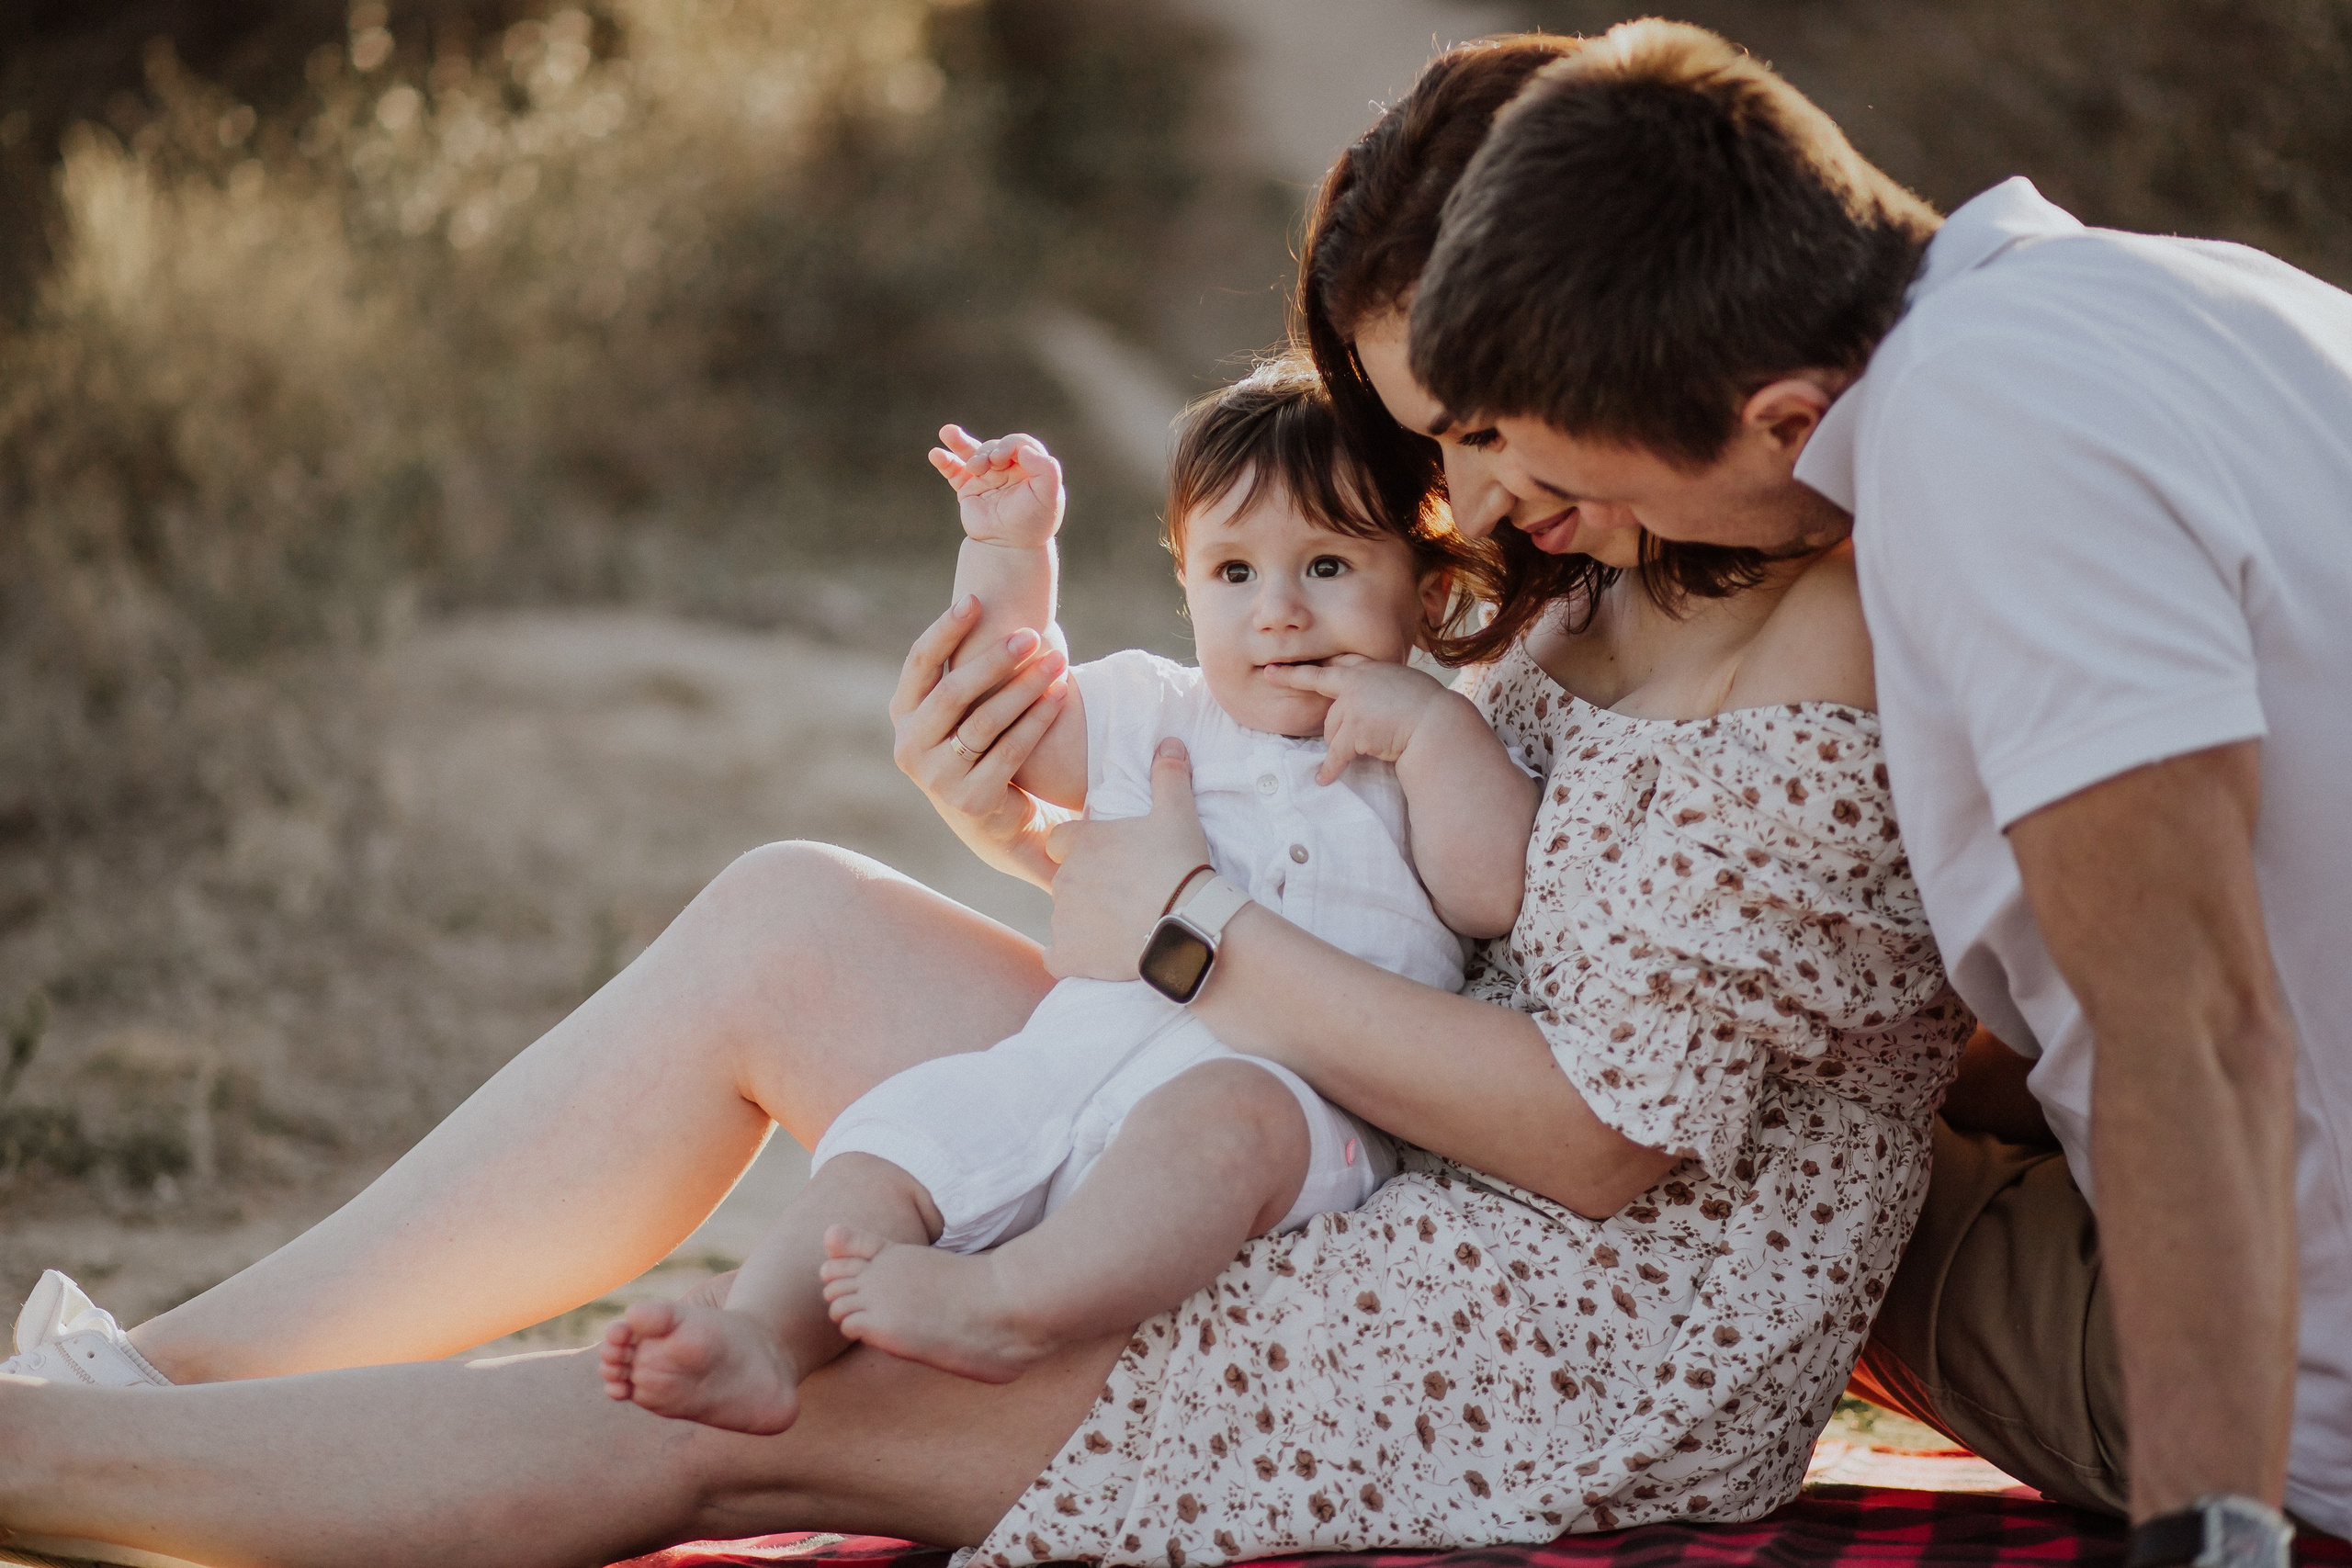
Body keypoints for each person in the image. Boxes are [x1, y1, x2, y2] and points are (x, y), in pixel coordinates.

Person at [0, 39, 1964, 1568]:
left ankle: (48, 1464)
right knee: (788, 915)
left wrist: (1185, 934)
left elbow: (1608, 1144)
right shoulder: (1594, 544)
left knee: (745, 1408)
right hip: (1355, 1119)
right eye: (1427, 421)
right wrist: (1046, 830)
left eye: (1477, 414)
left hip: (1559, 1316)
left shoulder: (1817, 618)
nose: (1459, 476)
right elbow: (1338, 879)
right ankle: (138, 1377)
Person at [1405, 18, 2350, 1558]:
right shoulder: (2182, 291)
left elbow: (2195, 1031)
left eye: (1625, 494)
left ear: (1784, 419)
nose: (1622, 533)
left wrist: (2219, 1537)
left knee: (1732, 1199)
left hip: (2306, 1371)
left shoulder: (1975, 444)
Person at [598, 367, 1535, 1432]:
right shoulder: (1157, 713)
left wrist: (1428, 730)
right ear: (1187, 589)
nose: (1277, 612)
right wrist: (1009, 551)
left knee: (1221, 1125)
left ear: (1425, 590)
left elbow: (1492, 888)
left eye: (1326, 565)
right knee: (900, 1147)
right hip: (1064, 1073)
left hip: (1299, 1109)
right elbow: (1009, 704)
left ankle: (1007, 1307)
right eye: (1233, 572)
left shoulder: (1435, 744)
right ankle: (765, 1340)